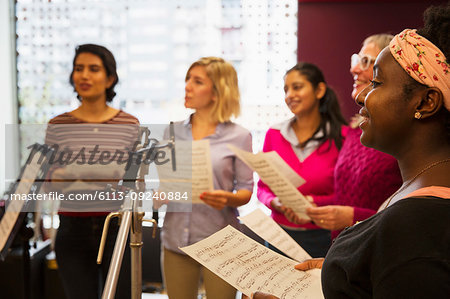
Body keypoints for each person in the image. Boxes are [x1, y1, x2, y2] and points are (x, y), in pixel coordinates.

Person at [251, 3, 450, 298]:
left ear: (425, 102)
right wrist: (340, 273)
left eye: (377, 82)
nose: (359, 96)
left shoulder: (416, 227)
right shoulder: (415, 199)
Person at [44, 44, 139, 299]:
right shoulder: (59, 124)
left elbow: (134, 183)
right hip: (72, 229)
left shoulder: (129, 124)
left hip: (117, 228)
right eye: (79, 69)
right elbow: (50, 184)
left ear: (109, 78)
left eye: (93, 69)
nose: (84, 76)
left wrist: (73, 173)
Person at [161, 57, 253, 299]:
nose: (187, 86)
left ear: (217, 92)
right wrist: (160, 193)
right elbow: (161, 183)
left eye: (197, 81)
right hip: (175, 239)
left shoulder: (239, 136)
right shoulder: (171, 132)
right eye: (187, 79)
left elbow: (245, 190)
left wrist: (226, 198)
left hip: (222, 243)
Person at [305, 34, 403, 239]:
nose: (354, 69)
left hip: (377, 251)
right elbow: (347, 197)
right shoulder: (354, 131)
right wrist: (311, 204)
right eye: (357, 60)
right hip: (343, 249)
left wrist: (353, 217)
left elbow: (409, 215)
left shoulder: (401, 135)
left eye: (366, 62)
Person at [257, 62, 348, 257]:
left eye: (297, 87)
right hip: (278, 237)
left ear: (319, 90)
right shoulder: (273, 135)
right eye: (286, 90)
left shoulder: (345, 137)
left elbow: (348, 196)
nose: (289, 95)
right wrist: (275, 202)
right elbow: (262, 188)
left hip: (325, 238)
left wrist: (313, 202)